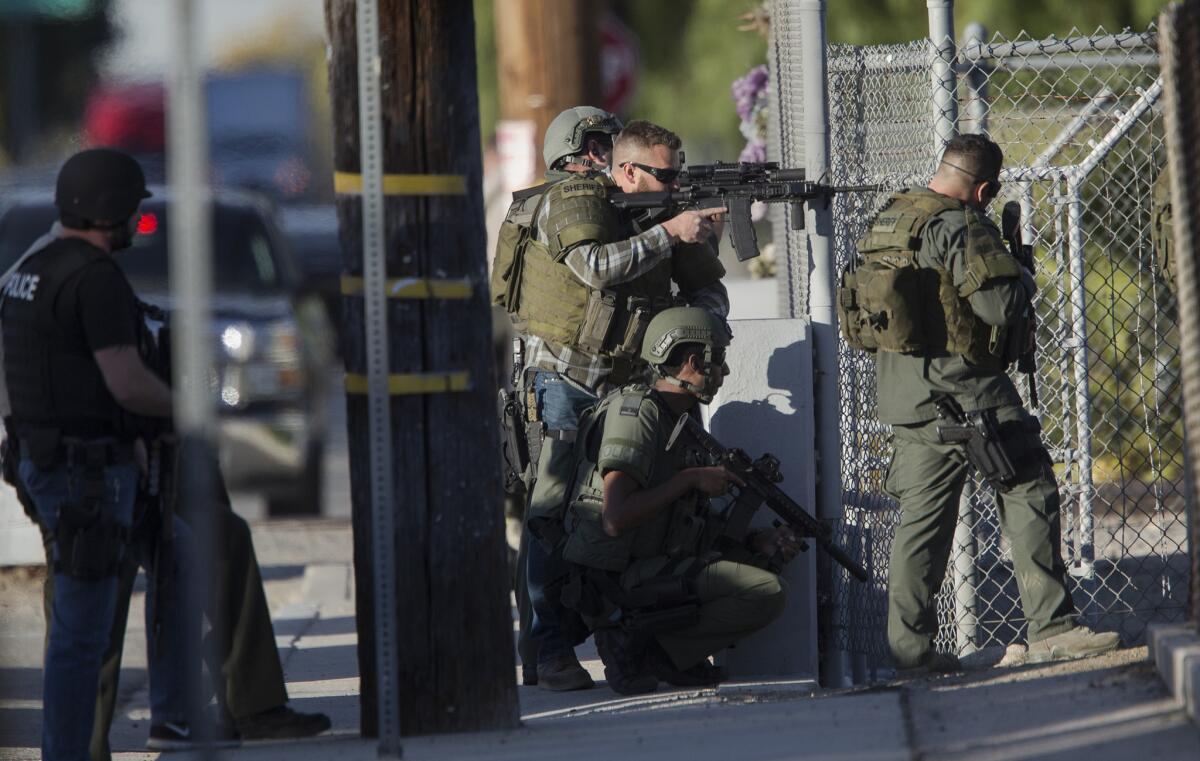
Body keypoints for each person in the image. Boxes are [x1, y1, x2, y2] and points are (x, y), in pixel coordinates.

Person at [842, 133, 1120, 672]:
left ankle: (910, 651)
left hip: (907, 399)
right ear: (984, 188)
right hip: (970, 393)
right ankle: (1053, 629)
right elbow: (999, 306)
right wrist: (1018, 266)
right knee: (1029, 487)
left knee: (921, 524)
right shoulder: (962, 225)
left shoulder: (889, 218)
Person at [495, 113, 731, 691]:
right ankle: (548, 651)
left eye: (606, 145)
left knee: (647, 513)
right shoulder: (566, 203)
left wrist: (692, 327)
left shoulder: (658, 211)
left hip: (631, 388)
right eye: (593, 149)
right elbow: (595, 269)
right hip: (563, 384)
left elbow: (710, 292)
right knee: (554, 517)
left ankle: (641, 642)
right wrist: (669, 232)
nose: (598, 160)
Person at [0, 147, 196, 761]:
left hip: (54, 462)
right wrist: (188, 410)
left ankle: (175, 716)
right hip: (85, 476)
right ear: (106, 212)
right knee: (80, 636)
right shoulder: (94, 277)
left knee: (177, 552)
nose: (137, 225)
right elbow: (126, 379)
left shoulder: (27, 271)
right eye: (132, 214)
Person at [557, 307, 796, 695]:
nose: (725, 372)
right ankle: (634, 646)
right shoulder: (637, 415)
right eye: (718, 360)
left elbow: (681, 519)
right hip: (615, 578)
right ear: (692, 361)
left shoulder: (680, 420)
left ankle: (659, 651)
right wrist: (690, 479)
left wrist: (756, 541)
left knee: (761, 565)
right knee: (767, 591)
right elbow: (614, 518)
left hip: (653, 562)